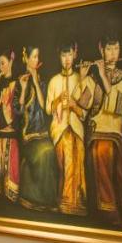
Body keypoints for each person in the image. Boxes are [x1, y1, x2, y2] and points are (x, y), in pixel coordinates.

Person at [79, 35, 122, 232]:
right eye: (109, 49)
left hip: (114, 132)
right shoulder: (92, 77)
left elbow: (118, 108)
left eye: (116, 49)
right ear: (101, 50)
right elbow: (82, 107)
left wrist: (104, 77)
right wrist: (83, 77)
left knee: (120, 175)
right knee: (101, 152)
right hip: (97, 133)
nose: (113, 54)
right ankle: (112, 216)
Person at [46, 43, 87, 216]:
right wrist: (57, 101)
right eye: (63, 55)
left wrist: (73, 105)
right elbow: (48, 109)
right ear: (59, 57)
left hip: (77, 129)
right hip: (59, 128)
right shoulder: (54, 81)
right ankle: (67, 202)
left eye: (69, 54)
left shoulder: (81, 78)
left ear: (75, 54)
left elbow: (84, 113)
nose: (67, 59)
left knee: (78, 151)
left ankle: (77, 202)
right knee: (68, 147)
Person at [16, 46, 57, 210]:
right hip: (28, 135)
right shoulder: (19, 82)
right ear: (26, 58)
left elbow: (44, 106)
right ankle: (35, 199)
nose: (36, 60)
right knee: (44, 152)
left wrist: (35, 81)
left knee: (50, 150)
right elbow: (18, 112)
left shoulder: (42, 83)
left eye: (37, 57)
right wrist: (23, 88)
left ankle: (47, 200)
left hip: (43, 133)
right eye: (33, 57)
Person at [0, 50, 21, 202]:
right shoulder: (0, 85)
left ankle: (9, 194)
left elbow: (12, 116)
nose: (0, 67)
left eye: (3, 63)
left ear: (11, 62)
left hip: (10, 135)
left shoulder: (16, 85)